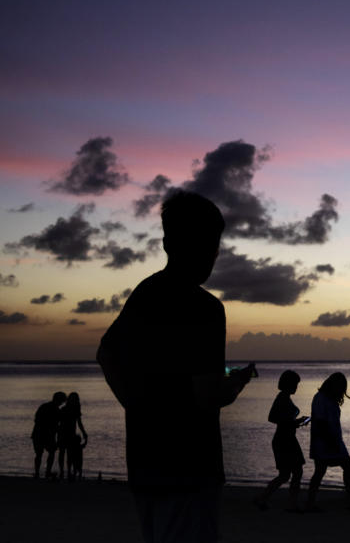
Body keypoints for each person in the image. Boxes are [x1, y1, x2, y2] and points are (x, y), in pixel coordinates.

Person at [97, 190, 254, 543]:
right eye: (212, 243)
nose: (215, 253)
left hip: (146, 468)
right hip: (191, 470)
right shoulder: (205, 309)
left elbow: (108, 354)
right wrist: (232, 387)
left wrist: (141, 404)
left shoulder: (147, 293)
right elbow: (207, 390)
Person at [255, 370, 308, 511]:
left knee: (290, 474)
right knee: (291, 473)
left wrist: (296, 421)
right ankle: (291, 504)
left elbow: (284, 419)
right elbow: (272, 417)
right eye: (295, 384)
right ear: (288, 384)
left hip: (288, 438)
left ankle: (265, 499)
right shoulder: (282, 398)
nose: (297, 387)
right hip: (284, 440)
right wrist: (293, 423)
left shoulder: (285, 398)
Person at [305, 372, 350, 511]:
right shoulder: (321, 398)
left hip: (333, 440)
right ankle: (311, 502)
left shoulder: (328, 398)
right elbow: (321, 422)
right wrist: (331, 441)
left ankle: (348, 498)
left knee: (343, 467)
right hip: (324, 441)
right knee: (322, 471)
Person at [31, 391, 66, 479]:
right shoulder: (56, 410)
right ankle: (46, 472)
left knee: (40, 454)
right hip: (45, 434)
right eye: (62, 401)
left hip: (39, 433)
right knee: (50, 453)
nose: (62, 403)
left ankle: (38, 472)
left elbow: (36, 419)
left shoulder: (44, 406)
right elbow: (58, 424)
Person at [57, 392, 88, 482]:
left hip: (67, 434)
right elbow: (79, 423)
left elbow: (79, 422)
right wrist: (84, 433)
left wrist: (84, 432)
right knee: (67, 453)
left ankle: (65, 471)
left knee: (66, 453)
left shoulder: (67, 409)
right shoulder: (68, 409)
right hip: (66, 433)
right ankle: (65, 471)